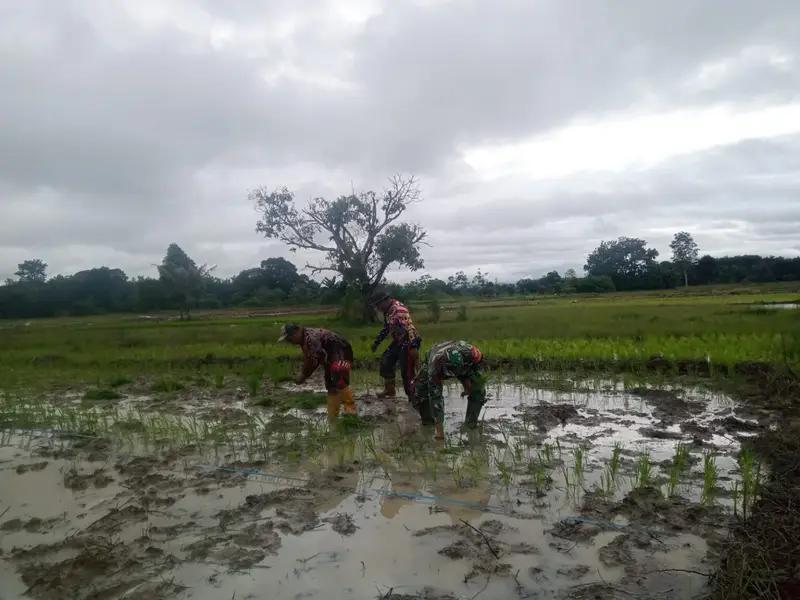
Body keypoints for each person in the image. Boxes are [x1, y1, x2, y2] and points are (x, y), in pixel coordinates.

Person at [278, 323, 355, 419]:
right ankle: (332, 418)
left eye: (289, 339)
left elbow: (313, 361)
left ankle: (351, 414)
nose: (290, 342)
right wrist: (304, 373)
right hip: (330, 357)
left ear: (296, 332)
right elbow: (309, 357)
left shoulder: (310, 339)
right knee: (331, 386)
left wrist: (303, 375)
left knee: (340, 380)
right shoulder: (304, 339)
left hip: (342, 352)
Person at [412, 340, 486, 439]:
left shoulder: (473, 354)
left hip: (464, 362)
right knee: (420, 390)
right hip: (433, 359)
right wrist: (440, 431)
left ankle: (471, 424)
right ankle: (429, 422)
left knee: (479, 390)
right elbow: (436, 397)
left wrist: (468, 386)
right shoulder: (434, 366)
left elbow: (473, 370)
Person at [369, 291, 421, 400]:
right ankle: (390, 389)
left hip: (409, 340)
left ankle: (413, 396)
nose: (378, 308)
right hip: (399, 340)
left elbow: (409, 330)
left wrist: (413, 347)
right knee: (386, 360)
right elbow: (387, 328)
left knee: (406, 371)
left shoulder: (399, 310)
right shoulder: (388, 311)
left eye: (378, 305)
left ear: (385, 301)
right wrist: (376, 342)